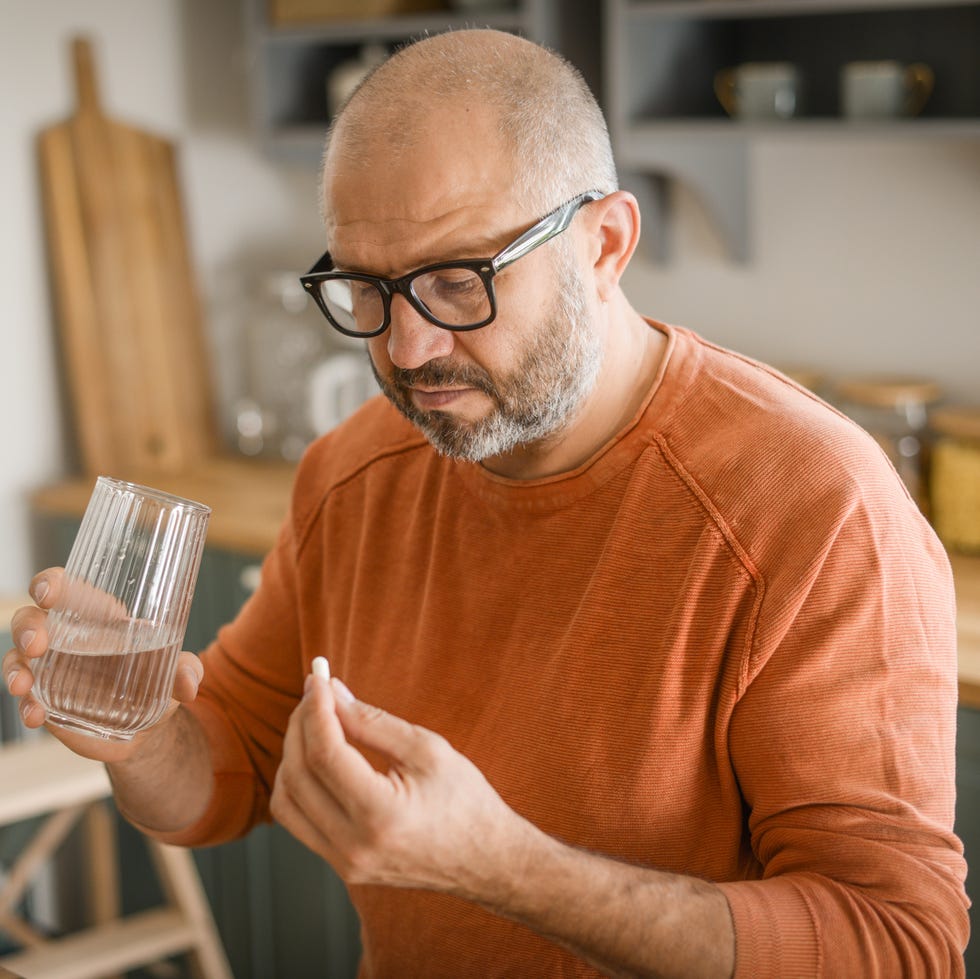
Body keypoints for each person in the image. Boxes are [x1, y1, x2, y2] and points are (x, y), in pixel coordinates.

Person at [3, 28, 969, 978]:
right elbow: (233, 766)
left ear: (605, 245)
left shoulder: (817, 507)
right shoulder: (355, 470)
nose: (409, 350)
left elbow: (898, 945)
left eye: (458, 282)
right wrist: (140, 736)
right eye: (367, 288)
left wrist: (504, 868)